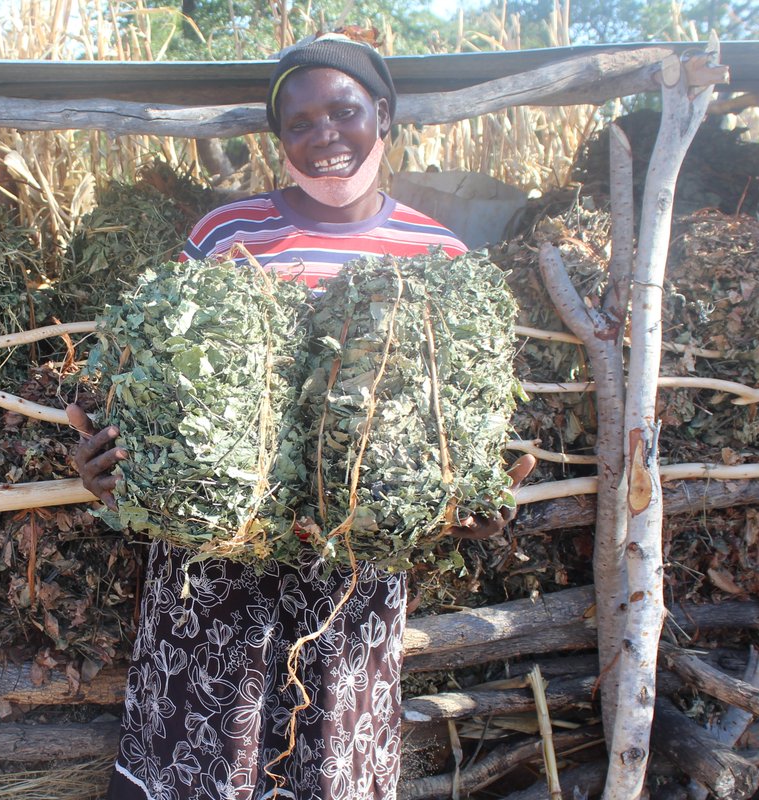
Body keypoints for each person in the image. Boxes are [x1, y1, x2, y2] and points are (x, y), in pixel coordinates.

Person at [68, 34, 536, 800]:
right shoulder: (226, 237)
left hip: (349, 584)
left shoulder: (439, 257)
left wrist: (466, 501)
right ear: (279, 139)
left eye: (344, 112)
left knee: (328, 764)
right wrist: (115, 473)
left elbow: (454, 430)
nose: (325, 136)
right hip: (217, 575)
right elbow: (151, 393)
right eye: (299, 123)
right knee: (201, 756)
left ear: (382, 115)